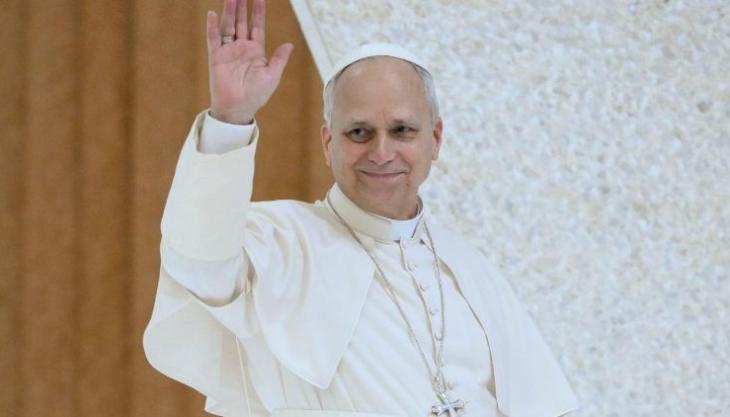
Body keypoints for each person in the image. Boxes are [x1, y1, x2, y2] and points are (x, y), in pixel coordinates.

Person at [143, 0, 579, 416]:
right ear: (328, 142)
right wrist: (230, 120)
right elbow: (199, 263)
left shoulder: (471, 268)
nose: (382, 152)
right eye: (359, 132)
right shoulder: (278, 242)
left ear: (435, 139)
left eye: (402, 130)